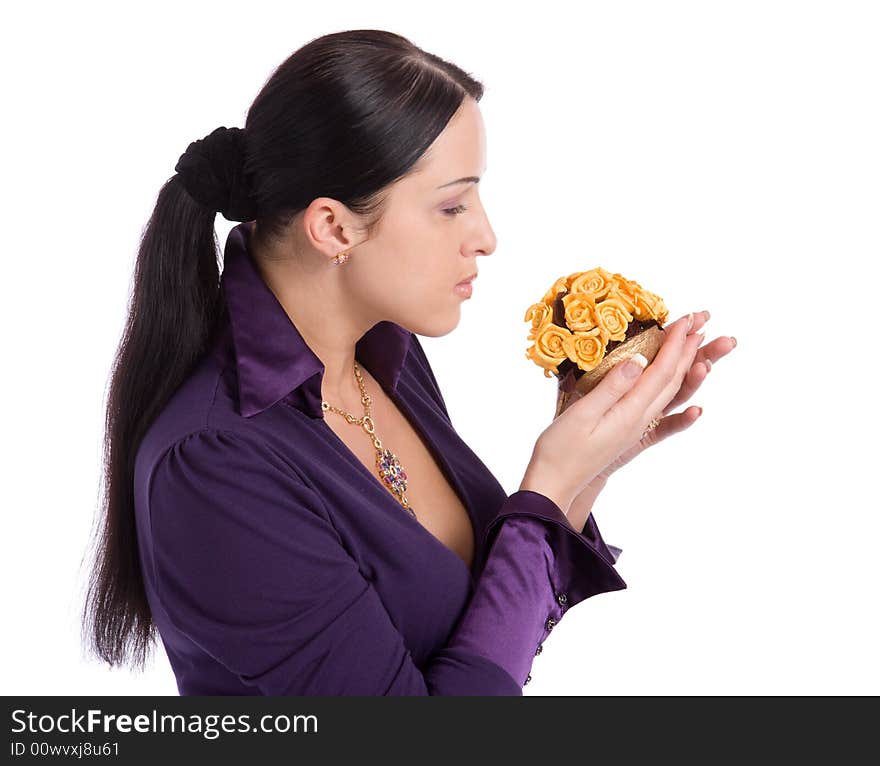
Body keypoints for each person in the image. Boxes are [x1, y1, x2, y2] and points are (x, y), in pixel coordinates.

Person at [82, 29, 733, 695]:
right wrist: (550, 485)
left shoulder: (383, 355)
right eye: (452, 205)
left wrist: (588, 462)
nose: (485, 237)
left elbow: (483, 645)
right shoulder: (213, 466)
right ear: (334, 228)